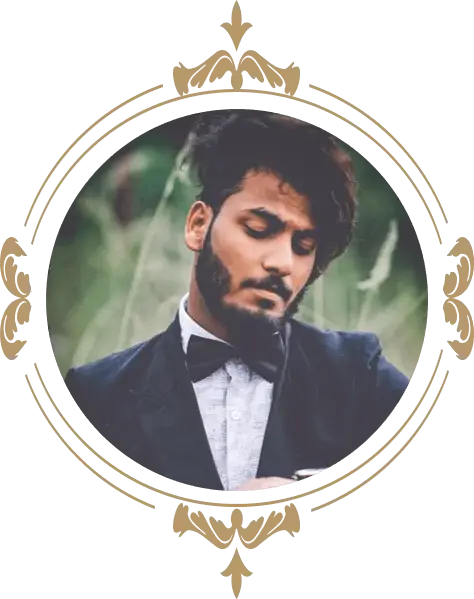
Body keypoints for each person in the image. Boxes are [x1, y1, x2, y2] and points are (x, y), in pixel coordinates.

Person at [63, 109, 413, 496]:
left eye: (303, 246)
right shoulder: (96, 395)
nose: (282, 263)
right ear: (198, 225)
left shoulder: (360, 375)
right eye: (259, 229)